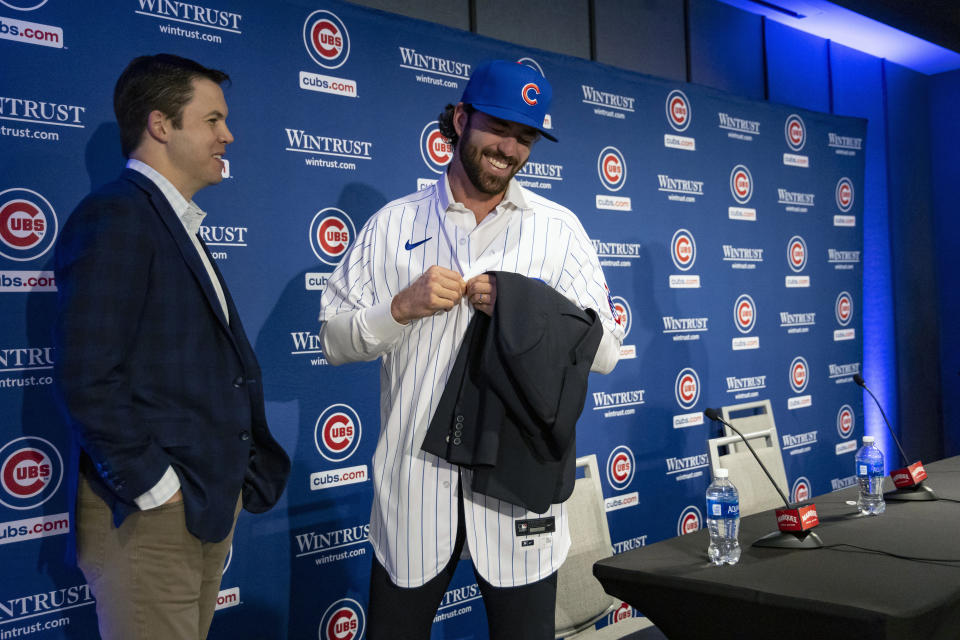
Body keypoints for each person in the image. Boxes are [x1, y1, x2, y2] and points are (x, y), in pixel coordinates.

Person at [319, 59, 623, 639]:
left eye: (525, 136)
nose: (509, 148)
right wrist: (400, 307)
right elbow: (333, 340)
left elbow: (605, 351)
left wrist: (527, 307)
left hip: (518, 493)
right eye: (498, 127)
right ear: (460, 119)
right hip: (415, 487)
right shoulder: (392, 225)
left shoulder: (559, 231)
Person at [53, 54, 290, 640]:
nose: (227, 135)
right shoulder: (117, 215)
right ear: (161, 125)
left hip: (202, 506)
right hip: (151, 518)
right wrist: (155, 490)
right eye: (213, 120)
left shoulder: (170, 221)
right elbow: (87, 374)